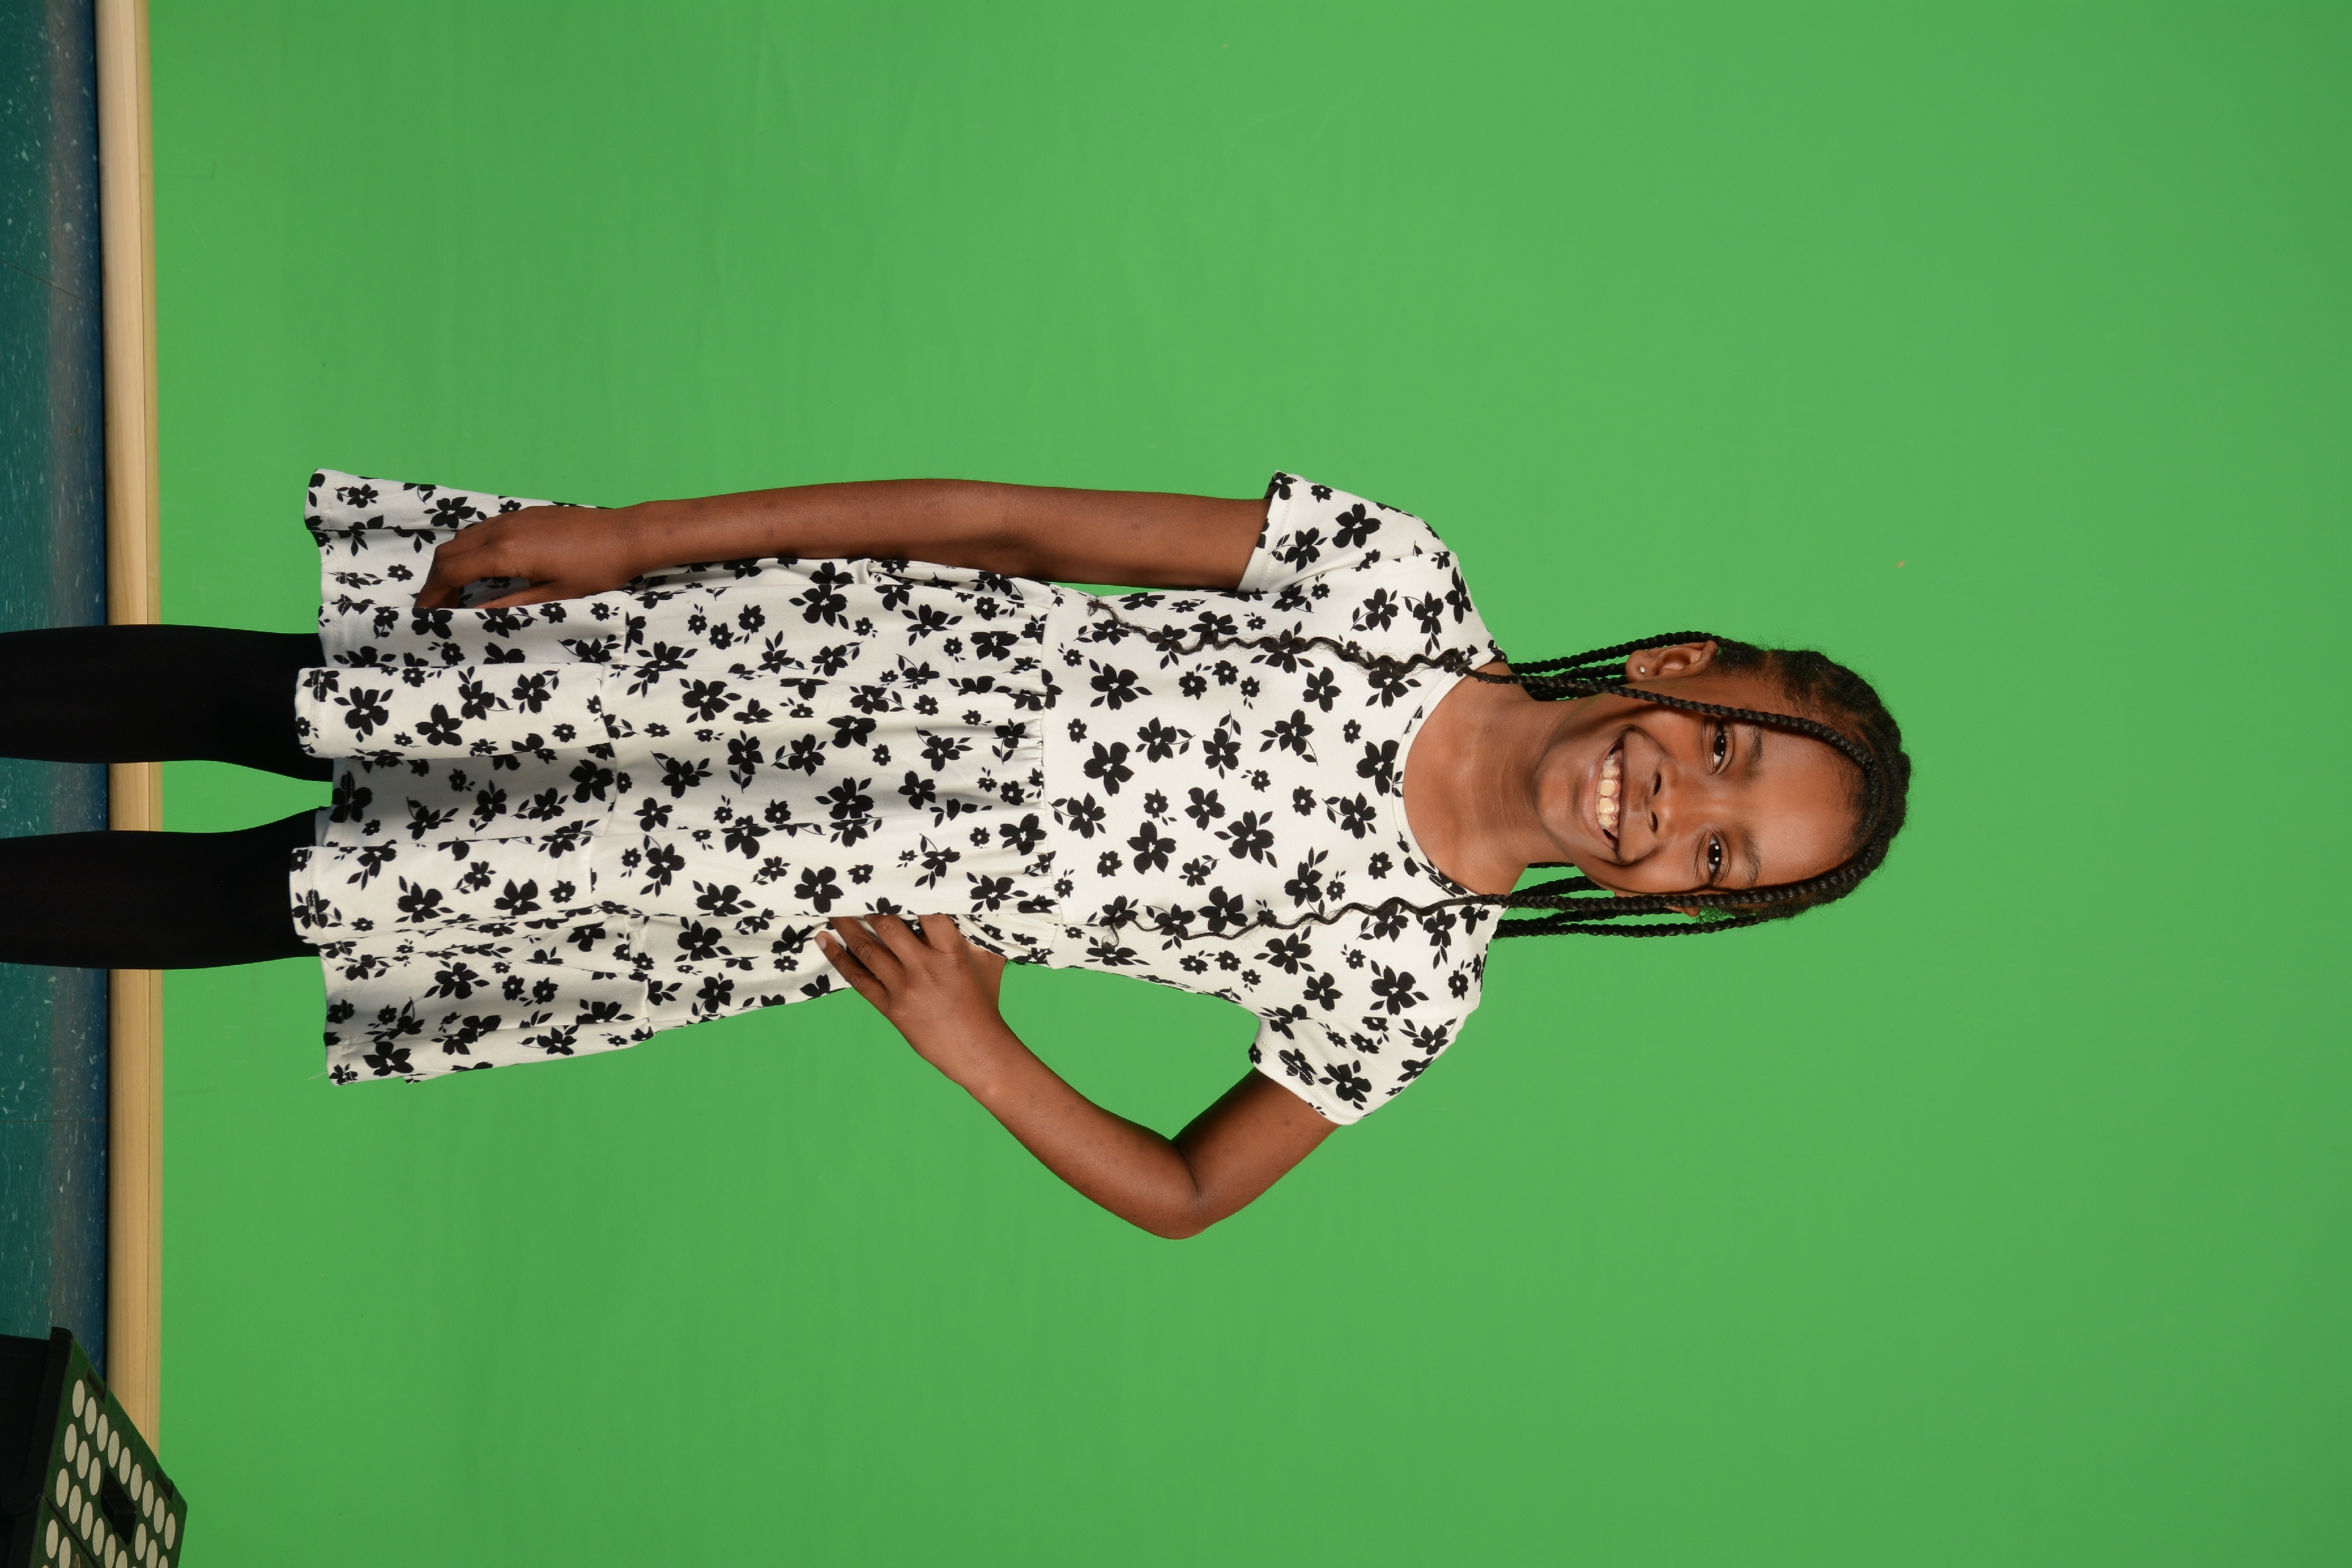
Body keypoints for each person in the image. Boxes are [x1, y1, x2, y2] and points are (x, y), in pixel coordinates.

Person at [0, 470, 1909, 1236]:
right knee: (306, 698)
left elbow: (1190, 1189)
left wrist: (979, 1048)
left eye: (1719, 858)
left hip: (777, 871)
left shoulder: (1404, 978)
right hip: (778, 652)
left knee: (300, 888)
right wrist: (633, 543)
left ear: (1680, 905)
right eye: (1721, 749)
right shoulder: (1388, 583)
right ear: (1678, 668)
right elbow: (999, 522)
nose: (1675, 808)